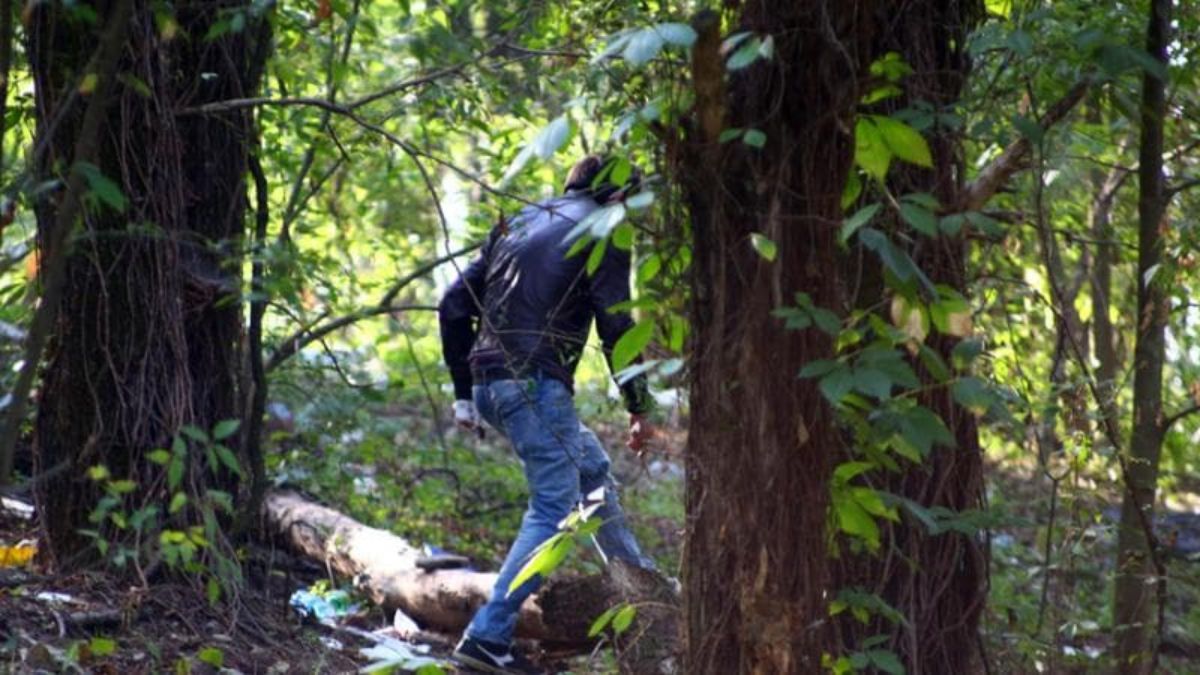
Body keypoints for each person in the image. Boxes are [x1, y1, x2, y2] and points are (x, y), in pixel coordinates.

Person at [438, 155, 656, 674]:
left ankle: (645, 590)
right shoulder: (605, 225)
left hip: (493, 383)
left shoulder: (516, 221)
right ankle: (486, 638)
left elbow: (452, 304)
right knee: (554, 507)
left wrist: (465, 394)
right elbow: (616, 321)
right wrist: (640, 407)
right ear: (617, 195)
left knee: (591, 471)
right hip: (534, 384)